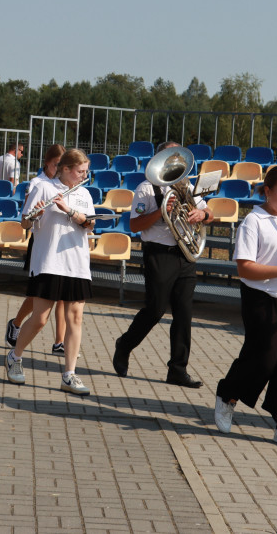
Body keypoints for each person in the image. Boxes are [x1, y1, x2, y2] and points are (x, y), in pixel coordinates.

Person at [213, 165, 277, 447]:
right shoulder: (253, 221)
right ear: (267, 190)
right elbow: (244, 269)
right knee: (263, 357)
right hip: (261, 295)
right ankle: (227, 394)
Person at [113, 142, 214, 388]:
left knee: (183, 313)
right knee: (155, 310)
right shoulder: (146, 189)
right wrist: (160, 211)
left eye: (178, 160)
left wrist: (203, 215)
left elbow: (209, 213)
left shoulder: (185, 185)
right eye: (170, 159)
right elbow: (135, 226)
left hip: (184, 255)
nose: (175, 164)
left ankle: (178, 369)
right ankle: (124, 345)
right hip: (159, 255)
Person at [6, 148, 96, 395]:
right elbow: (25, 222)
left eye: (85, 171)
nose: (83, 175)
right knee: (40, 319)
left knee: (75, 317)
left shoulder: (84, 193)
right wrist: (36, 214)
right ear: (65, 169)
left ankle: (69, 375)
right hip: (48, 261)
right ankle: (15, 356)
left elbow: (90, 224)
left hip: (76, 262)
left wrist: (69, 211)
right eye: (80, 171)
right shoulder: (43, 187)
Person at [5, 144, 67, 353]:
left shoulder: (65, 183)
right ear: (46, 163)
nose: (58, 169)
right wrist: (36, 213)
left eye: (62, 165)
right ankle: (16, 323)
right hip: (42, 242)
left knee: (62, 296)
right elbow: (26, 216)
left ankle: (59, 342)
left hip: (61, 242)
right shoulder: (37, 183)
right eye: (55, 165)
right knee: (38, 296)